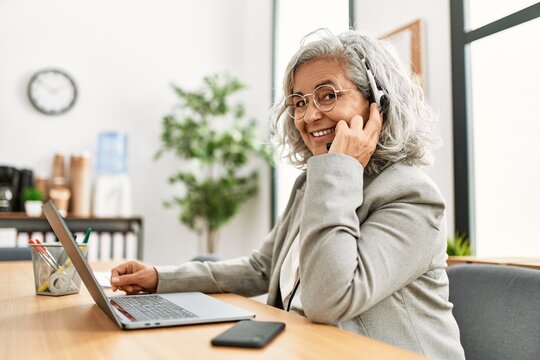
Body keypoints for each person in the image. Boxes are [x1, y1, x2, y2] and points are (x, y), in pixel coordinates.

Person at [111, 29, 465, 359]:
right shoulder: (315, 183)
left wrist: (339, 169)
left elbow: (330, 300)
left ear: (378, 106)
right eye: (298, 102)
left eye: (327, 95)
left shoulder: (411, 195)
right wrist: (161, 278)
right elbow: (262, 267)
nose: (309, 115)